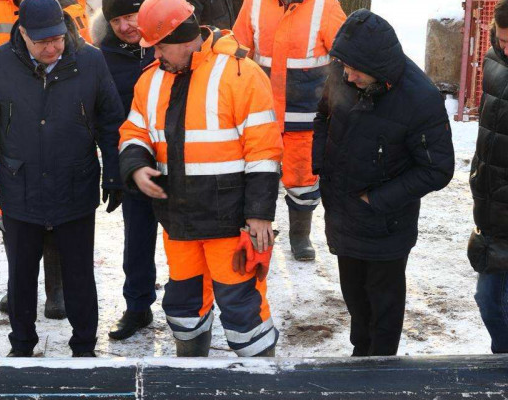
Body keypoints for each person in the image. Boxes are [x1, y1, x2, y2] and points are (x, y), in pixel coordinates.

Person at [119, 0, 283, 357]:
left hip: (230, 224)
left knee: (242, 307)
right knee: (184, 305)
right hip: (178, 222)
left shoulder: (241, 74)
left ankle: (260, 377)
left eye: (160, 47)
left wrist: (259, 214)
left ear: (183, 38)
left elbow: (264, 151)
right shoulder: (151, 80)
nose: (155, 55)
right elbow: (134, 131)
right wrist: (136, 164)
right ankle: (191, 369)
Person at [0, 0, 125, 357]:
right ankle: (21, 345)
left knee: (79, 275)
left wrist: (115, 175)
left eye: (57, 39)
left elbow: (111, 123)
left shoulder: (90, 61)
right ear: (23, 33)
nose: (52, 48)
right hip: (20, 186)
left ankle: (84, 347)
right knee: (21, 275)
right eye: (42, 42)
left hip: (75, 184)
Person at [313, 9, 455, 356]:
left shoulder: (420, 99)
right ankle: (361, 357)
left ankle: (381, 368)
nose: (347, 75)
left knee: (383, 309)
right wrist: (321, 167)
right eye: (345, 67)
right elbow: (323, 116)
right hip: (343, 214)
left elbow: (438, 169)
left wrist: (376, 200)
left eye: (355, 71)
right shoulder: (344, 71)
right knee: (355, 300)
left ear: (376, 67)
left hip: (385, 227)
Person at [233, 0, 346, 261]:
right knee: (257, 172)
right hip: (262, 113)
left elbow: (345, 56)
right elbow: (237, 52)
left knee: (303, 178)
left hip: (306, 115)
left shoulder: (326, 5)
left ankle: (300, 234)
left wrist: (336, 105)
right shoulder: (255, 3)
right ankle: (256, 232)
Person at [93, 0, 157, 341]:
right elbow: (105, 119)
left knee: (189, 241)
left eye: (130, 16)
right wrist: (115, 172)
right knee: (137, 239)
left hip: (183, 158)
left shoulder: (169, 44)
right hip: (133, 161)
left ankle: (195, 307)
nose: (124, 26)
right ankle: (137, 306)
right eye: (116, 20)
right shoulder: (103, 58)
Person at [468, 0, 508, 355]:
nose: (506, 49)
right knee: (488, 300)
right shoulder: (493, 60)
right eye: (502, 40)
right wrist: (478, 175)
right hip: (493, 208)